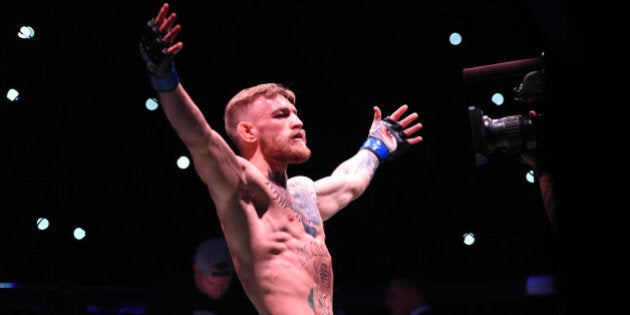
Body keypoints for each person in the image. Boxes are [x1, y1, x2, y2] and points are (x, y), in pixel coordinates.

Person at [138, 3, 423, 315]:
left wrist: (376, 147)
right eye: (282, 115)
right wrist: (165, 77)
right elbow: (201, 139)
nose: (297, 122)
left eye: (296, 114)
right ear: (248, 132)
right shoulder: (243, 186)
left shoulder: (304, 193)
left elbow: (349, 183)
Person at [149, 237, 258, 315]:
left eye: (225, 284)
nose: (219, 290)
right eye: (211, 283)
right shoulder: (170, 297)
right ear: (196, 271)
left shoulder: (243, 300)